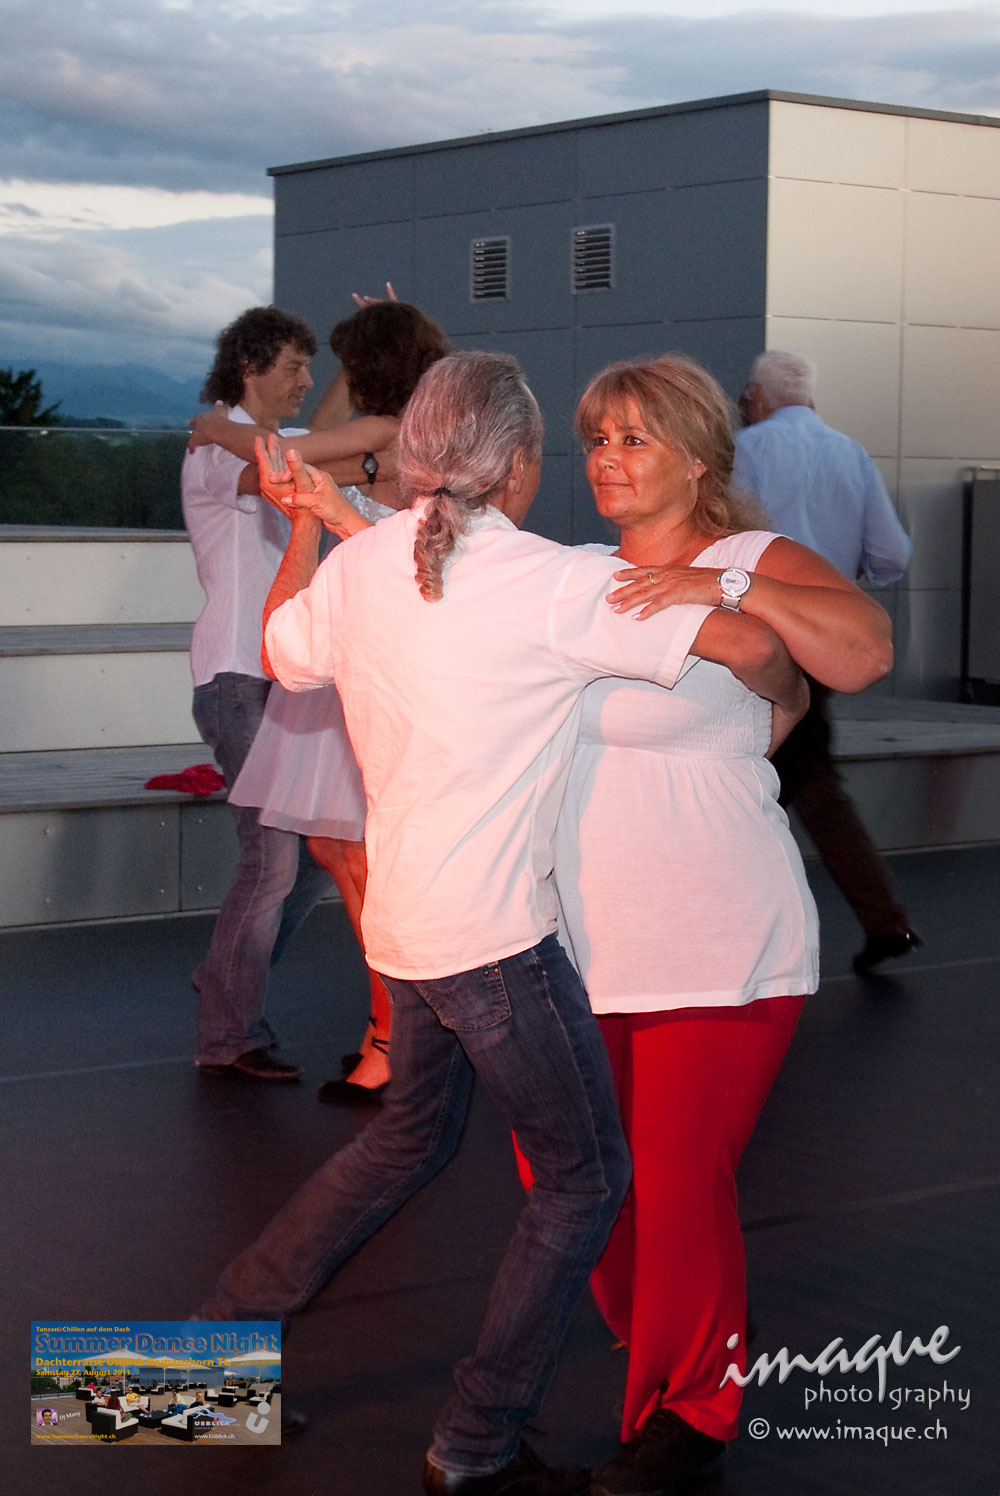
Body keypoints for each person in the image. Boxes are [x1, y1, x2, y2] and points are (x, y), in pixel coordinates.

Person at [198, 350, 808, 1496]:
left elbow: (281, 648)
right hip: (496, 948)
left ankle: (197, 1366)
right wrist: (731, 605)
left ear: (419, 452)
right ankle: (474, 1444)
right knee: (586, 1179)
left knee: (402, 1145)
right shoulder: (551, 581)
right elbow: (756, 654)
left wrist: (309, 526)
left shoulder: (370, 560)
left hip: (403, 935)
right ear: (520, 462)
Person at [537, 354, 892, 1496]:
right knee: (578, 1184)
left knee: (679, 1182)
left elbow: (861, 652)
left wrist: (721, 587)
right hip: (575, 945)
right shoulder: (575, 576)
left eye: (634, 437)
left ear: (697, 456)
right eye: (597, 438)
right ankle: (677, 1346)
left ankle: (692, 1406)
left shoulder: (751, 558)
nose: (606, 458)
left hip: (719, 939)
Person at [203, 299, 452, 1103]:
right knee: (338, 854)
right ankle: (393, 1029)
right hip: (353, 653)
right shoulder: (396, 437)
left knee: (360, 861)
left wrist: (209, 427)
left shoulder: (386, 433)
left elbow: (272, 459)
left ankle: (394, 1036)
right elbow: (298, 459)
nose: (321, 378)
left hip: (365, 660)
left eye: (345, 360)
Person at [183, 306, 337, 1082]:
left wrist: (356, 356)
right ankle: (227, 1032)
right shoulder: (217, 447)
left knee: (312, 857)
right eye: (292, 368)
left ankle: (226, 978)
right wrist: (216, 427)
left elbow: (324, 435)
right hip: (237, 677)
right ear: (250, 369)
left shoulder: (243, 436)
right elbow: (282, 463)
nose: (307, 382)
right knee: (273, 861)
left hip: (274, 680)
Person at [733, 349, 920, 973]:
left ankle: (748, 932)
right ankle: (883, 920)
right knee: (806, 779)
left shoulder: (747, 450)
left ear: (759, 396)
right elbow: (891, 556)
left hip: (757, 636)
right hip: (825, 642)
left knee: (763, 781)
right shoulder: (850, 453)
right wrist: (843, 573)